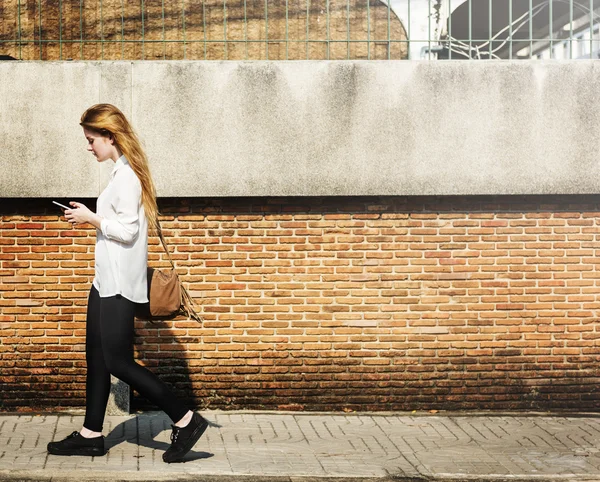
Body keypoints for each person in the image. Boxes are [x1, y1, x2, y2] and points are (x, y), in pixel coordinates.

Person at [46, 103, 208, 463]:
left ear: (109, 136)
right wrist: (90, 216)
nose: (89, 147)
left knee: (118, 361)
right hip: (104, 282)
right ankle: (91, 434)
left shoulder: (128, 177)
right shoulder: (119, 175)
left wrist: (90, 218)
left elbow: (127, 231)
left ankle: (185, 418)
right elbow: (118, 223)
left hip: (119, 285)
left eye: (92, 140)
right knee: (97, 358)